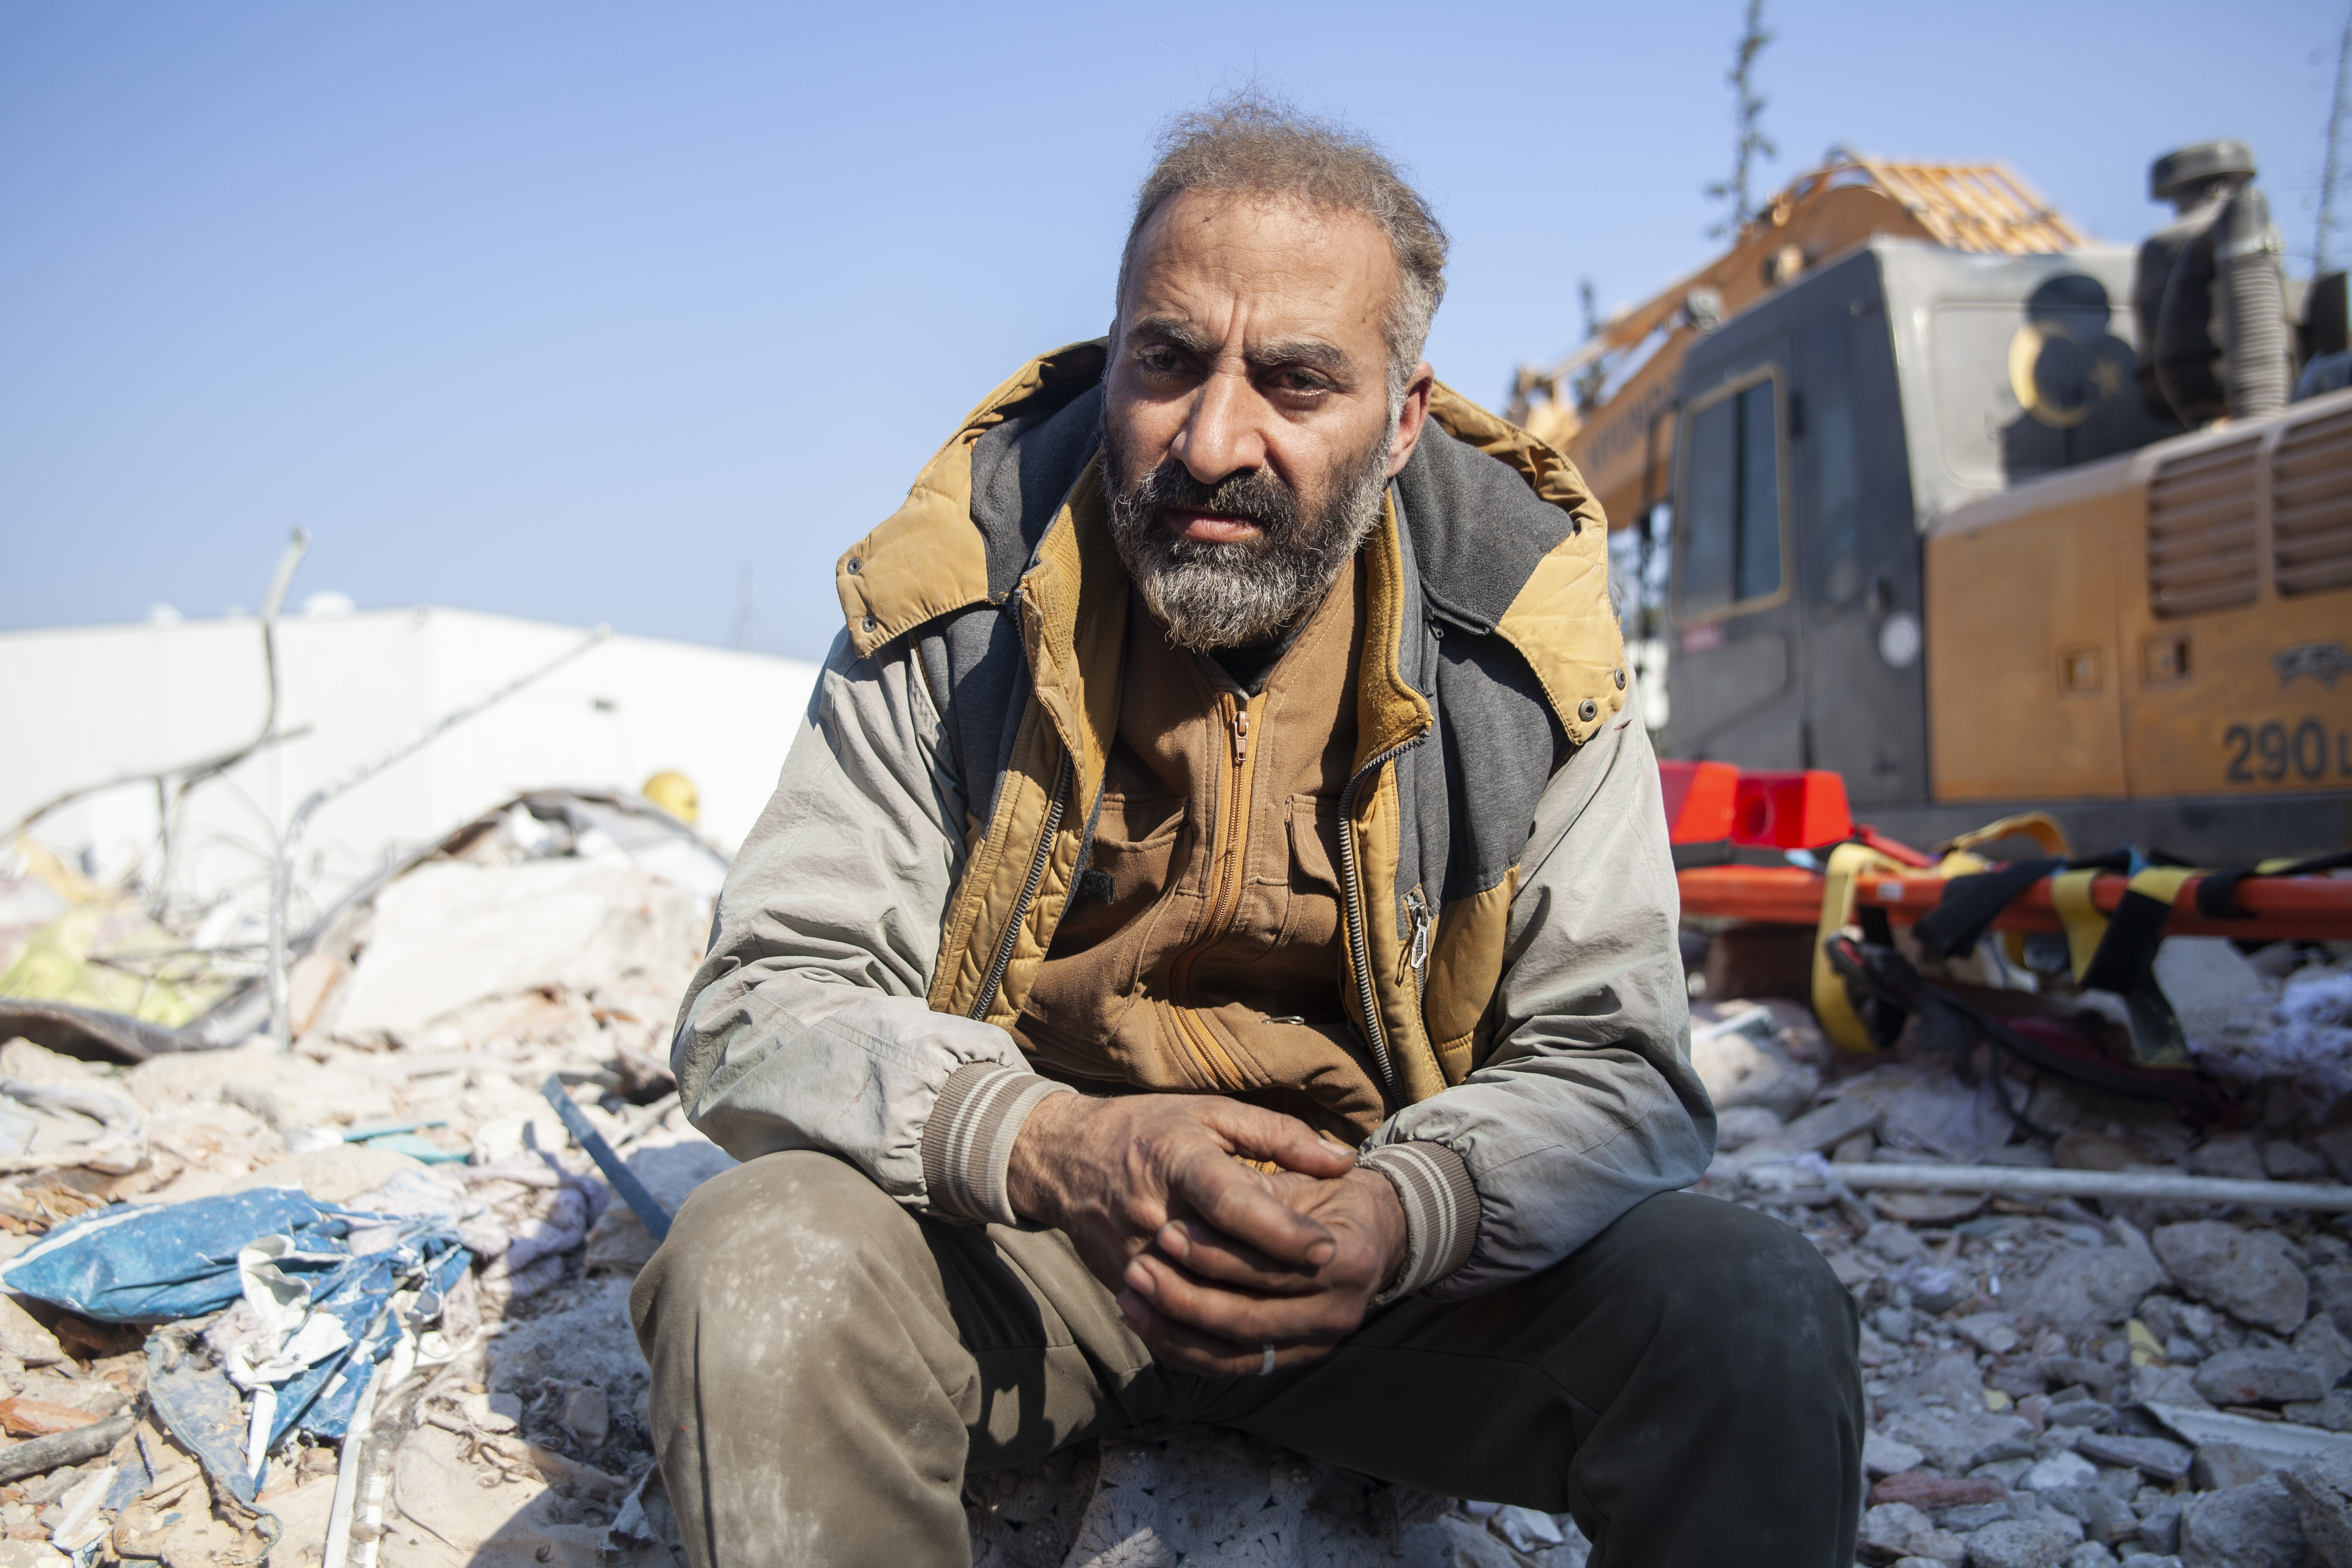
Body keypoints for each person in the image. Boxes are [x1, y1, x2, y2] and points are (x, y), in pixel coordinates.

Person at [632, 93, 1862, 1567]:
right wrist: (1054, 1143)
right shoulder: (953, 598)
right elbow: (764, 998)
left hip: (1391, 1275)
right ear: (1116, 349)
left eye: (1295, 382)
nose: (1216, 436)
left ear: (1402, 421)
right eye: (1167, 362)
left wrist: (1409, 1213)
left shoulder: (1522, 646)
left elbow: (1619, 1060)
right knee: (758, 1263)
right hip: (1032, 1245)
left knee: (1753, 1316)